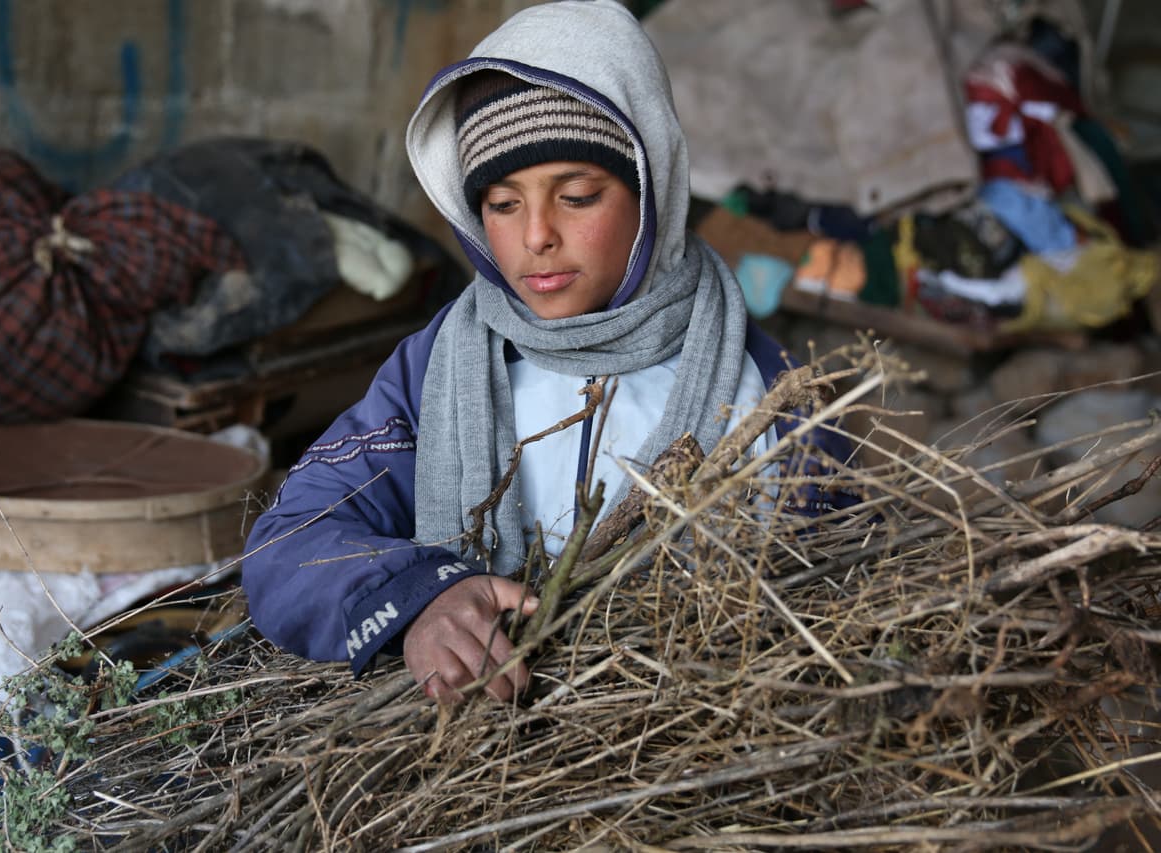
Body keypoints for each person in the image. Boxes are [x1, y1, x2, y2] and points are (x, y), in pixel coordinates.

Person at [242, 0, 851, 703]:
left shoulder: (766, 393)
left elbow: (837, 595)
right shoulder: (438, 369)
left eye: (578, 195)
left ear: (654, 189)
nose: (536, 235)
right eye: (502, 204)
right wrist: (420, 596)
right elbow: (287, 543)